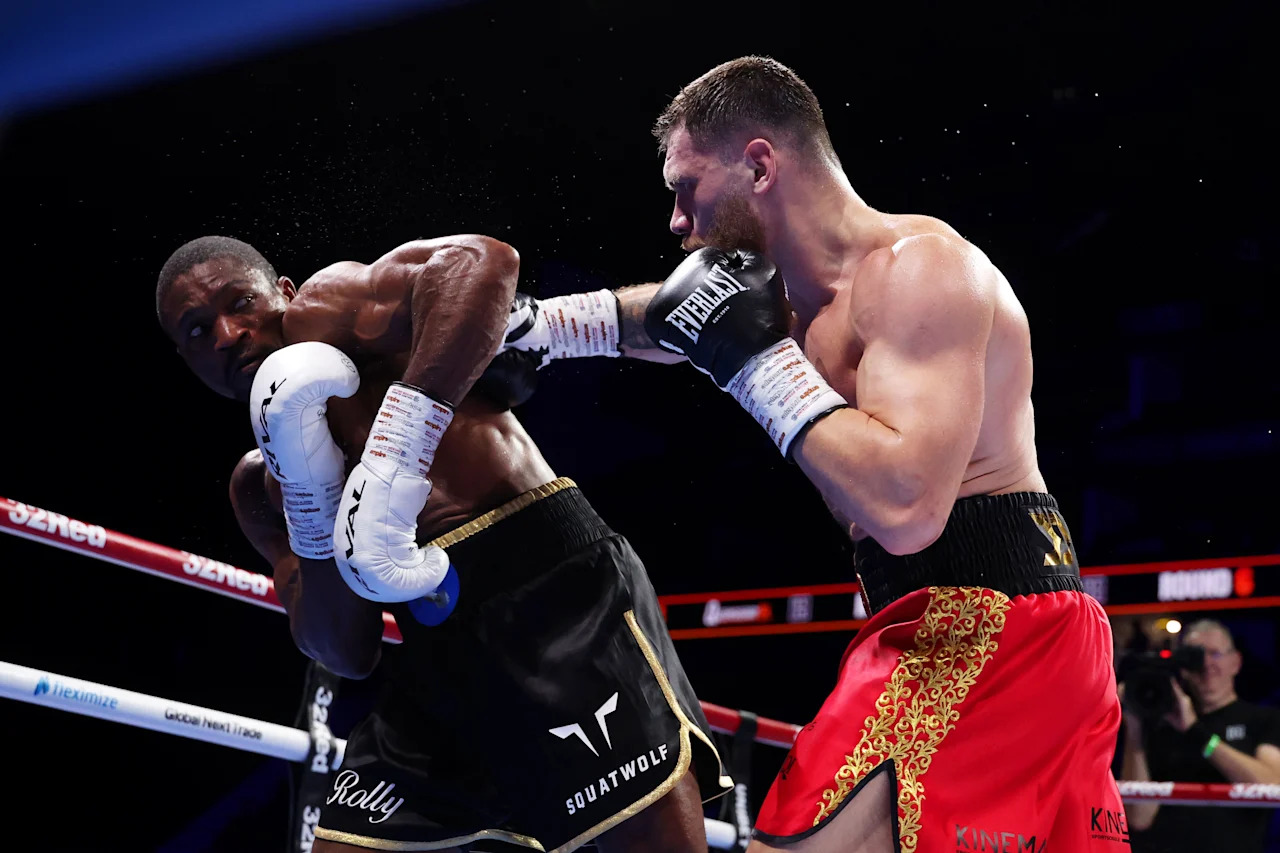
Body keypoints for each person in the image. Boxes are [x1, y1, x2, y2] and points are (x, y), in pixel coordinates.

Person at [500, 55, 1127, 851]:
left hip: (989, 624)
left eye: (685, 188)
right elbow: (666, 318)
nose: (675, 222)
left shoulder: (921, 273)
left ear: (760, 163)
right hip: (950, 621)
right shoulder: (791, 304)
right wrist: (539, 328)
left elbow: (906, 508)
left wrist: (758, 365)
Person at [153, 234, 730, 853]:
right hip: (437, 660)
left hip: (552, 599)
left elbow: (484, 262)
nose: (226, 334)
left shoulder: (330, 312)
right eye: (195, 332)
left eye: (240, 302)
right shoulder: (259, 489)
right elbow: (346, 652)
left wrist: (400, 444)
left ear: (283, 293)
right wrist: (310, 503)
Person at [1121, 619, 1280, 852]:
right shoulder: (1160, 723)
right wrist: (1134, 728)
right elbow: (1138, 817)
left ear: (1236, 662)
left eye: (1215, 654)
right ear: (1183, 666)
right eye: (1195, 655)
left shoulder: (1263, 720)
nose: (1206, 664)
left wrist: (1196, 732)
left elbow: (1272, 786)